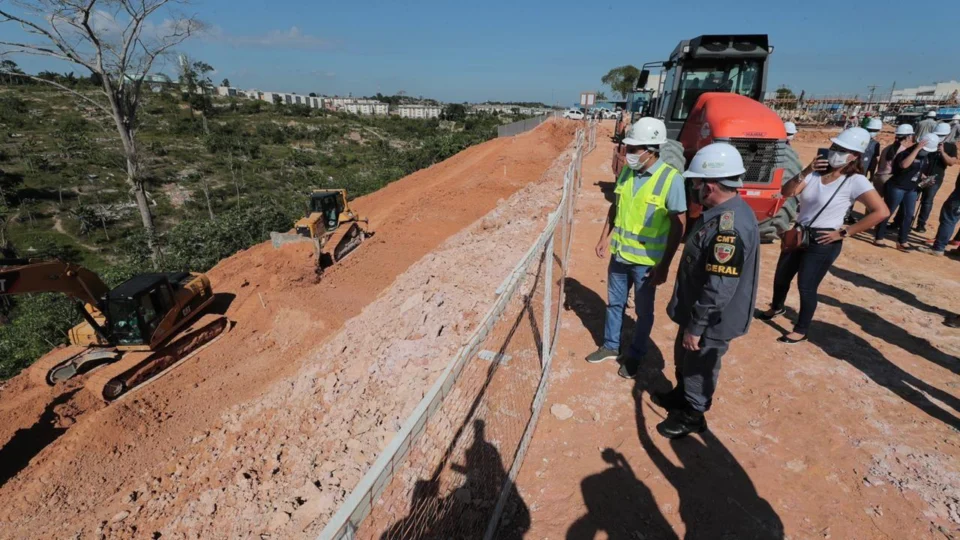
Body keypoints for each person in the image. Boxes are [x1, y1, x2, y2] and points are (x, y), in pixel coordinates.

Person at [654, 142, 759, 438]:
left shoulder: (729, 228)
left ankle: (693, 414)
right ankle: (682, 395)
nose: (695, 189)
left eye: (697, 183)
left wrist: (697, 326)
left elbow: (718, 287)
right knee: (686, 358)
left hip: (711, 319)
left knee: (700, 363)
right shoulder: (722, 213)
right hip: (697, 311)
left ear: (710, 186)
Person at [760, 127, 889, 343]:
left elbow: (881, 212)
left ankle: (801, 329)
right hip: (800, 233)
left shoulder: (855, 181)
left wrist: (846, 231)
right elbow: (787, 192)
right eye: (835, 146)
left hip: (824, 240)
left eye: (842, 149)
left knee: (806, 285)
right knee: (781, 276)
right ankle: (777, 307)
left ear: (855, 156)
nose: (835, 151)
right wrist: (806, 170)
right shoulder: (815, 174)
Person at [587, 117, 687, 379]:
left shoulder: (671, 179)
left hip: (646, 263)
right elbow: (616, 205)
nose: (629, 154)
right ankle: (610, 346)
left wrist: (664, 265)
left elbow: (679, 225)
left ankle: (636, 355)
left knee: (644, 313)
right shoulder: (628, 172)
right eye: (628, 148)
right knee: (614, 304)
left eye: (634, 149)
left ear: (651, 149)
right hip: (619, 257)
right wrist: (604, 237)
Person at [875, 133, 940, 250]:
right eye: (924, 149)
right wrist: (917, 149)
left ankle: (902, 241)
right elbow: (904, 165)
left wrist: (925, 178)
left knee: (908, 215)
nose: (926, 152)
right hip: (897, 187)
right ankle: (879, 237)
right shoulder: (904, 154)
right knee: (888, 212)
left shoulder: (924, 157)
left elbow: (918, 170)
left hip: (911, 189)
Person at [914, 123, 958, 233]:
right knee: (911, 197)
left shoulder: (951, 147)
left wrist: (942, 152)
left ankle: (921, 224)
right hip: (920, 175)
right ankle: (902, 220)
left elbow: (951, 162)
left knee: (927, 201)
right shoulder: (928, 141)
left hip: (935, 179)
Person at [874, 124, 915, 193]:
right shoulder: (903, 150)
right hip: (889, 178)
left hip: (878, 177)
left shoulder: (887, 148)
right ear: (908, 137)